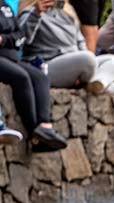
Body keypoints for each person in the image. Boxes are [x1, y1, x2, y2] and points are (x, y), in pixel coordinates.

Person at [0, 1, 66, 150]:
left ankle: (45, 126)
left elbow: (19, 35)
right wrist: (7, 40)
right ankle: (34, 133)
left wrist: (4, 40)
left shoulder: (4, 6)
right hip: (3, 59)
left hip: (11, 57)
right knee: (21, 77)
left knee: (40, 77)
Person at [18, 0, 114, 94]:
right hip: (46, 65)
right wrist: (36, 13)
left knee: (113, 61)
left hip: (77, 63)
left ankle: (96, 84)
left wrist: (84, 65)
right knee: (88, 59)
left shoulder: (67, 12)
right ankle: (103, 86)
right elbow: (21, 39)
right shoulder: (30, 11)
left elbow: (81, 43)